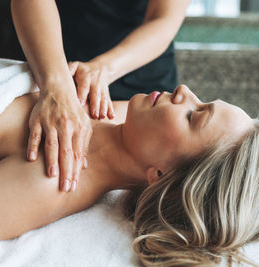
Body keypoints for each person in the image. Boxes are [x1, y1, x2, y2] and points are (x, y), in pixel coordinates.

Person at [0, 52, 259, 266]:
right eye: (203, 100)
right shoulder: (114, 114)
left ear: (160, 175)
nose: (185, 90)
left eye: (193, 116)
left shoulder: (52, 177)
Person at [10, 0, 191, 192]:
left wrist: (103, 69)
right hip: (51, 48)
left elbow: (164, 18)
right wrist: (55, 82)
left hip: (141, 75)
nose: (184, 92)